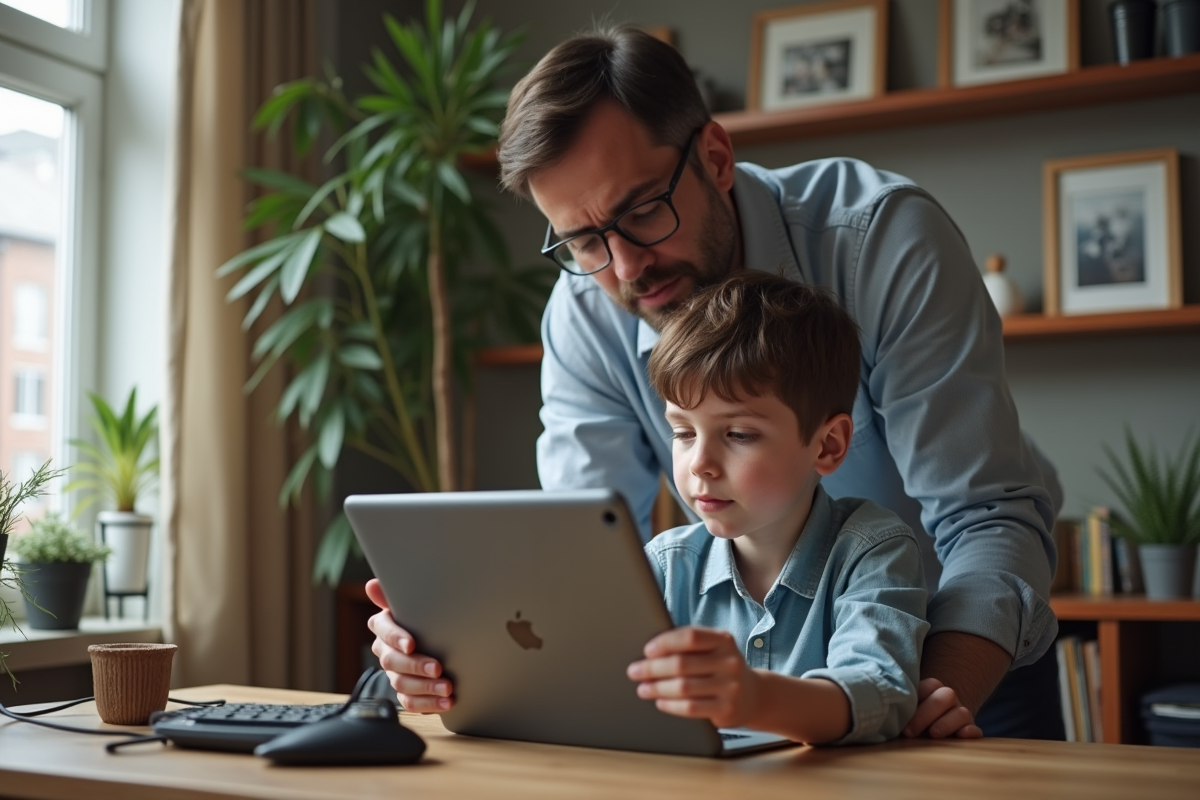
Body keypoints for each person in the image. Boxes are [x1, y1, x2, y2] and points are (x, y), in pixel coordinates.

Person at [368, 25, 1064, 740]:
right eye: (582, 240)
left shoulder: (879, 240)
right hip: (743, 714)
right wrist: (458, 658)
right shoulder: (585, 308)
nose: (626, 267)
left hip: (958, 670)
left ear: (715, 156)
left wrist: (909, 711)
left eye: (642, 212)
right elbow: (582, 561)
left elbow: (987, 519)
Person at [625, 271, 965, 744]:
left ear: (827, 445)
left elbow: (879, 691)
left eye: (739, 434)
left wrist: (755, 699)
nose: (699, 463)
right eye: (683, 432)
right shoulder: (663, 566)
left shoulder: (872, 551)